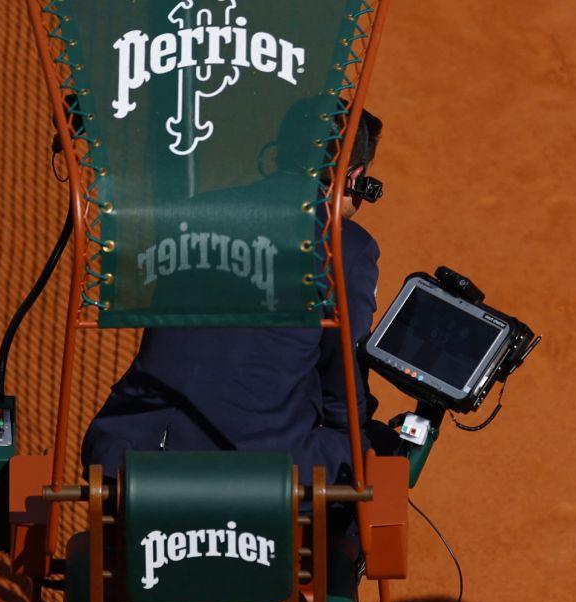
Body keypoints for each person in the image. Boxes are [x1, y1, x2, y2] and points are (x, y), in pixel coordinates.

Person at [81, 109, 390, 482]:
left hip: (129, 455)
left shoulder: (197, 213)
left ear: (279, 154)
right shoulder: (346, 247)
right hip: (254, 476)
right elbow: (343, 385)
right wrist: (363, 434)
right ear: (355, 178)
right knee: (363, 456)